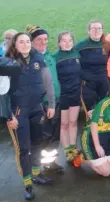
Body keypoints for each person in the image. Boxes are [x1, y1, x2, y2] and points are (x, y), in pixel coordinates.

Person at [5, 32, 56, 200]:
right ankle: (27, 184)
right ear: (15, 44)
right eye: (22, 42)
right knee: (24, 148)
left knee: (37, 142)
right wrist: (9, 115)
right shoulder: (8, 63)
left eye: (28, 41)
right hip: (20, 112)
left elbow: (47, 82)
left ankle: (36, 174)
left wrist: (51, 103)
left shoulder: (37, 59)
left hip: (37, 108)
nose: (26, 44)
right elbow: (2, 94)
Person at [26, 25, 63, 172]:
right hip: (42, 105)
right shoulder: (31, 59)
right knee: (42, 136)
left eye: (46, 39)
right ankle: (37, 166)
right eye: (39, 39)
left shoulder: (50, 56)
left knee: (55, 135)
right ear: (32, 41)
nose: (43, 42)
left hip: (56, 101)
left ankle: (50, 162)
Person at [75, 81, 110, 176]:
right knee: (107, 172)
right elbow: (93, 125)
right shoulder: (105, 104)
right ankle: (83, 158)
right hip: (91, 136)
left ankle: (103, 160)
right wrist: (97, 146)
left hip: (106, 135)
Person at [53, 31, 82, 162]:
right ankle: (67, 150)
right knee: (64, 123)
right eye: (64, 40)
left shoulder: (77, 54)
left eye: (70, 40)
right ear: (59, 43)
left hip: (75, 92)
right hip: (63, 94)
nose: (67, 43)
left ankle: (73, 147)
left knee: (73, 122)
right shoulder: (55, 57)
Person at [76, 20, 110, 116]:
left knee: (103, 107)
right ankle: (89, 128)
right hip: (88, 83)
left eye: (99, 28)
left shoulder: (107, 45)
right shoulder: (81, 46)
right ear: (88, 31)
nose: (96, 31)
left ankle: (102, 128)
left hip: (103, 81)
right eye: (93, 28)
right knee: (90, 110)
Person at [0, 29, 17, 123]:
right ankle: (7, 118)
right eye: (6, 38)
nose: (7, 40)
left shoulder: (18, 49)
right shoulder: (1, 49)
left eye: (10, 38)